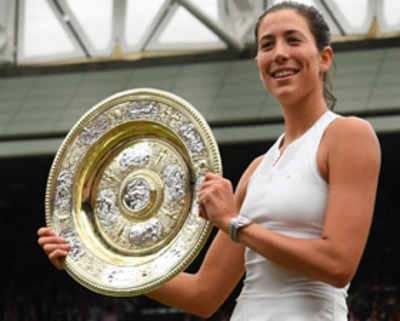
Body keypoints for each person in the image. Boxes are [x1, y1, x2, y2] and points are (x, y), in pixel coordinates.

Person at [38, 2, 381, 320]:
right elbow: (203, 294)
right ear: (258, 64)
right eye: (266, 45)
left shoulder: (348, 136)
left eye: (293, 40)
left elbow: (339, 264)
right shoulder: (257, 170)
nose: (279, 54)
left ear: (324, 57)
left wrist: (234, 223)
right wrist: (88, 262)